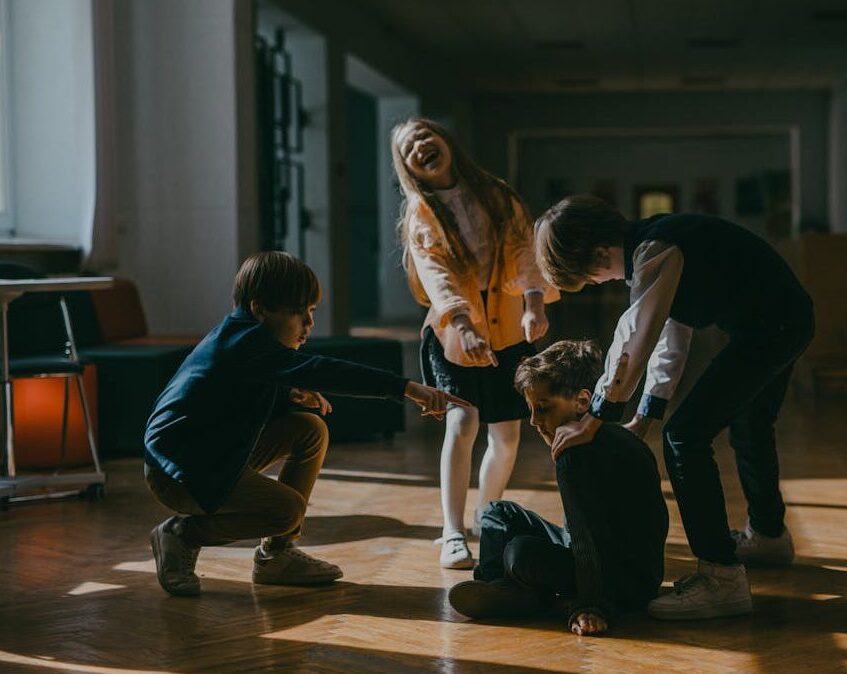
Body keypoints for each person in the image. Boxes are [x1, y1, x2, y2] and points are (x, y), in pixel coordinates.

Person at [534, 195, 815, 621]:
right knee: (750, 424)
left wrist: (596, 416)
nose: (598, 283)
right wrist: (645, 415)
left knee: (685, 436)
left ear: (598, 254)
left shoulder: (655, 250)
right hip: (783, 320)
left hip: (772, 327)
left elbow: (635, 336)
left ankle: (721, 577)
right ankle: (769, 535)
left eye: (590, 278)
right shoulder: (660, 244)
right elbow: (670, 339)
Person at [144, 251, 467, 597]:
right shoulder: (244, 343)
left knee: (309, 429)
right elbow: (322, 370)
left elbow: (229, 399)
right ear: (259, 309)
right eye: (299, 312)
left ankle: (276, 556)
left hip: (210, 456)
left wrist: (288, 395)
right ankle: (180, 535)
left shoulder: (244, 338)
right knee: (286, 511)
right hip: (180, 474)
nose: (309, 324)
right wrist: (405, 388)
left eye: (311, 311)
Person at [392, 117, 558, 569]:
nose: (420, 146)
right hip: (453, 331)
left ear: (445, 140)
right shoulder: (421, 214)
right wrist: (463, 324)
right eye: (409, 148)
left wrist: (534, 303)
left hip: (507, 328)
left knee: (507, 434)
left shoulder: (497, 194)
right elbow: (437, 276)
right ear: (407, 168)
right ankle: (452, 530)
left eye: (425, 136)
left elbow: (524, 250)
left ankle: (488, 517)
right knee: (462, 422)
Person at [448, 340, 667, 636]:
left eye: (543, 408)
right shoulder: (614, 435)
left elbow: (586, 536)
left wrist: (590, 606)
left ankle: (523, 595)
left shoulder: (574, 454)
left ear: (582, 401)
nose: (534, 421)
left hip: (621, 581)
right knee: (496, 512)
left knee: (518, 552)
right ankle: (498, 588)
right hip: (608, 560)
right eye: (531, 409)